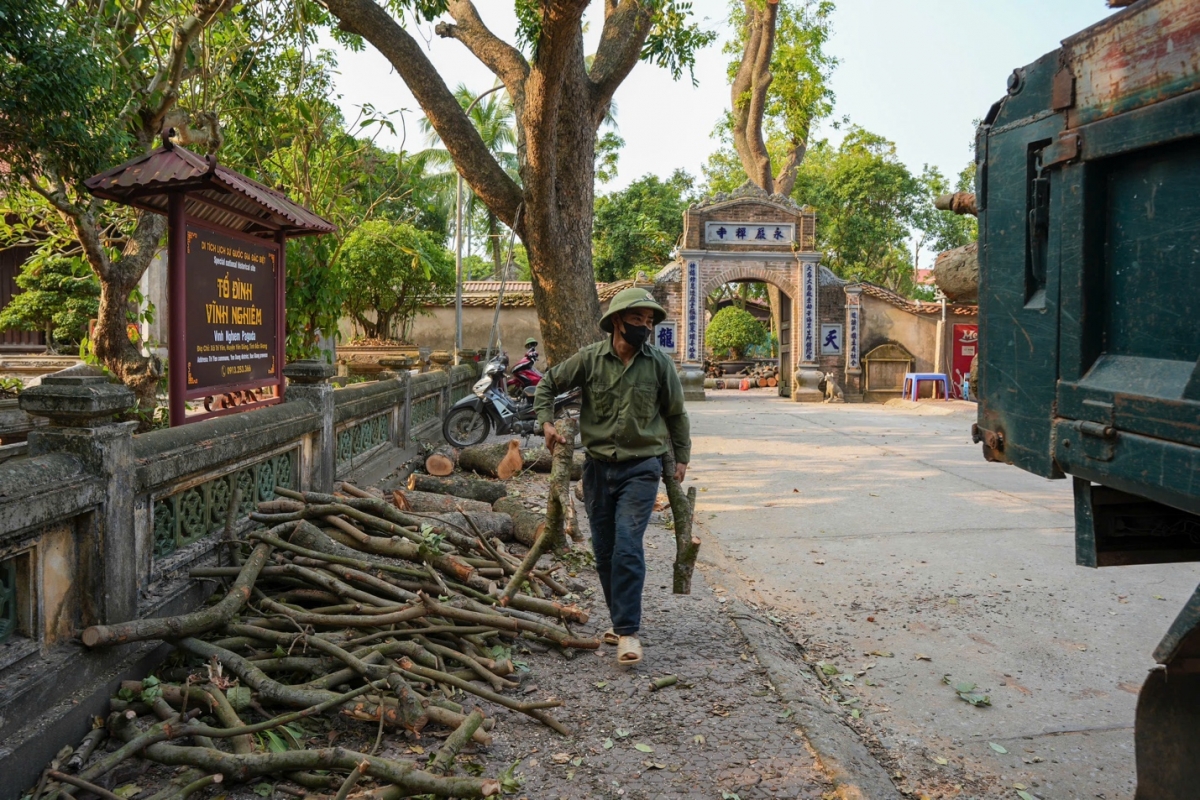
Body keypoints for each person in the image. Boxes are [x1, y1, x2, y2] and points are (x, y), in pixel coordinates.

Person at [533, 288, 690, 667]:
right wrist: (546, 424)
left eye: (649, 321)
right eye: (638, 319)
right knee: (603, 554)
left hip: (642, 467)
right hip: (598, 468)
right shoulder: (589, 360)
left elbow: (676, 413)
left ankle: (628, 631)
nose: (644, 327)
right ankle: (621, 622)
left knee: (627, 546)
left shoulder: (659, 365)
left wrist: (681, 457)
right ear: (618, 321)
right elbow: (547, 384)